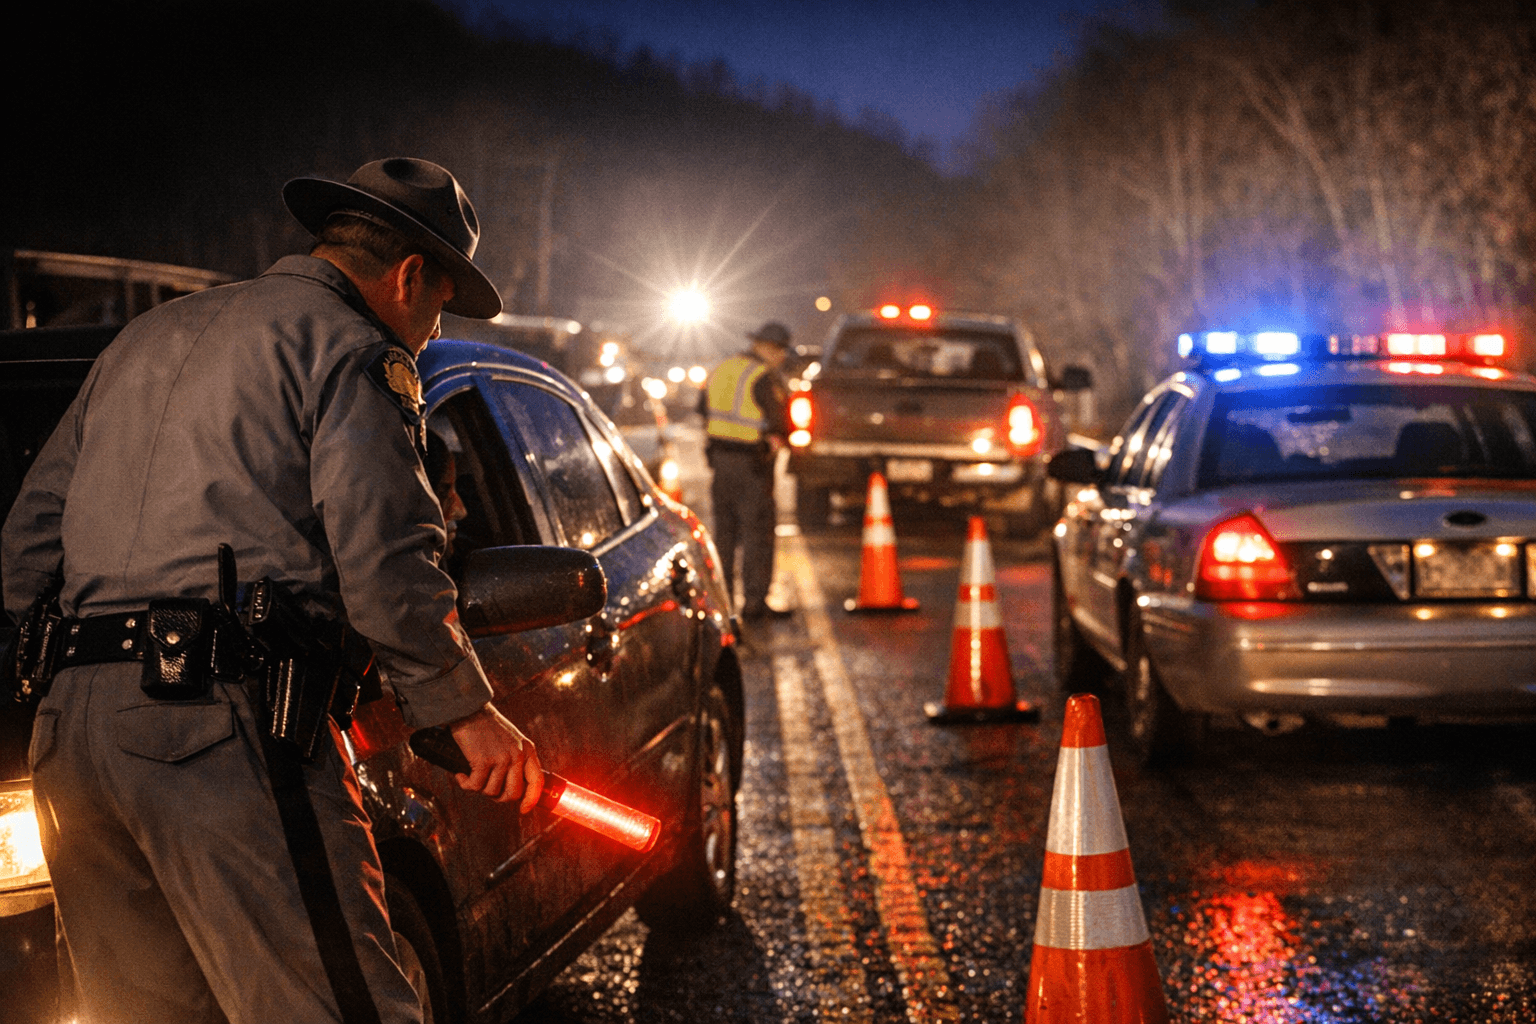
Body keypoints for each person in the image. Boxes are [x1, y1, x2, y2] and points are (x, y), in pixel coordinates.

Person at [2, 158, 541, 1024]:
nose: (433, 332)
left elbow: (28, 541)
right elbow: (387, 552)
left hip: (72, 742)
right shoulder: (350, 349)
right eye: (441, 306)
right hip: (218, 734)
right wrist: (461, 709)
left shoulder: (144, 337)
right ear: (409, 276)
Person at [699, 321, 792, 621]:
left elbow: (703, 410)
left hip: (720, 464)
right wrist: (775, 443)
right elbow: (780, 422)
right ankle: (754, 604)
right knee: (757, 534)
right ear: (769, 348)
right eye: (780, 351)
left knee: (724, 535)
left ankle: (723, 604)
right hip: (752, 467)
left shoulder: (722, 368)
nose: (782, 357)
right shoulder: (763, 376)